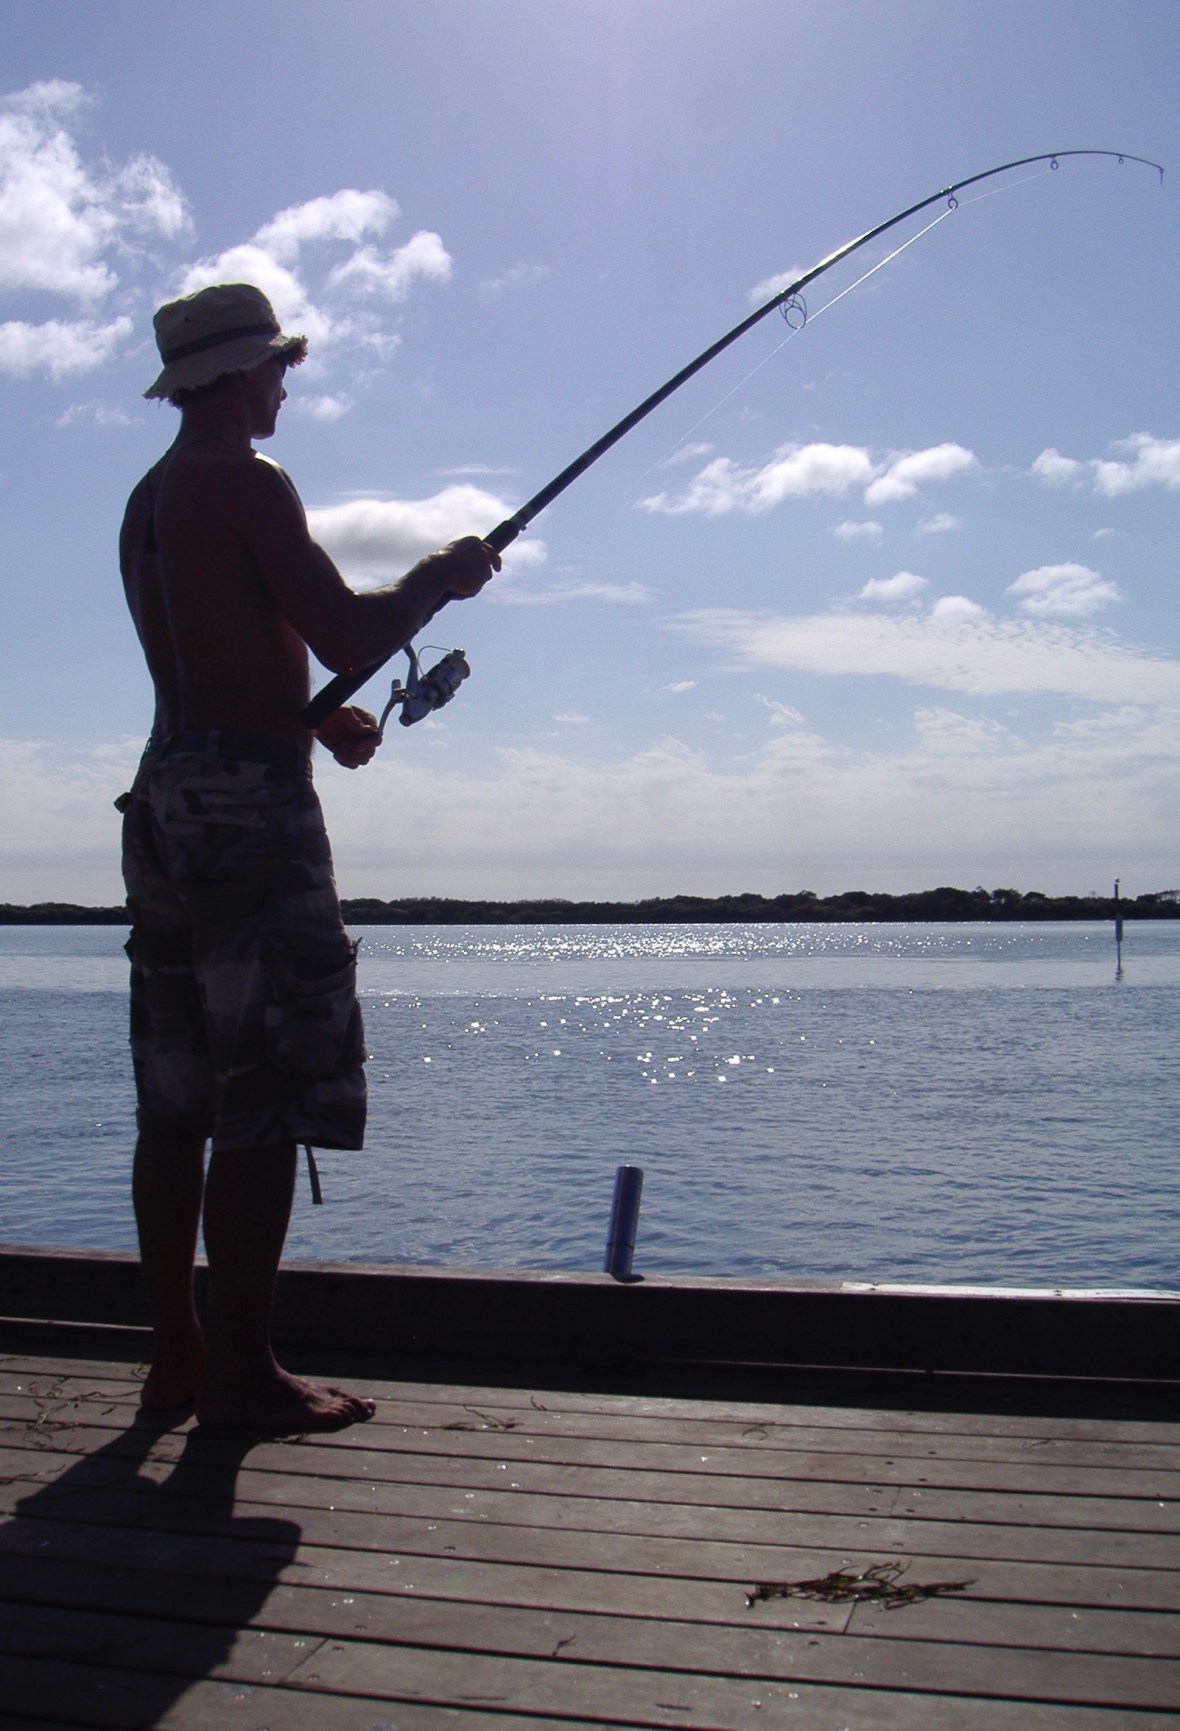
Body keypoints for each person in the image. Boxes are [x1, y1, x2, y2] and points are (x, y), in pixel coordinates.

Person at [119, 283, 499, 1431]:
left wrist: (307, 715)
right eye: (276, 366)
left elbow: (218, 646)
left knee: (175, 1098)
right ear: (238, 376)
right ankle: (241, 1378)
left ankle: (179, 1359)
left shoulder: (150, 498)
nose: (284, 383)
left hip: (167, 795)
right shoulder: (246, 478)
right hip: (248, 811)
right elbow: (341, 630)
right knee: (267, 1090)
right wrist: (440, 578)